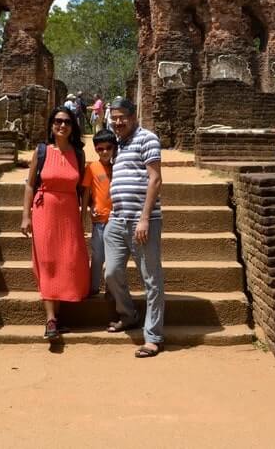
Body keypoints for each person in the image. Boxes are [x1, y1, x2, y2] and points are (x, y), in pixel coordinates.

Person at [19, 106, 90, 340]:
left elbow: (83, 189)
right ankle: (50, 320)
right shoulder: (41, 152)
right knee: (48, 262)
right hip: (44, 211)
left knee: (68, 261)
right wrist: (26, 216)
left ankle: (56, 319)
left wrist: (83, 217)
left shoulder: (78, 155)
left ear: (73, 127)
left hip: (69, 213)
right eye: (58, 121)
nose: (62, 125)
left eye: (67, 122)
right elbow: (30, 185)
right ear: (51, 125)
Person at [104, 96, 164, 358]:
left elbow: (155, 179)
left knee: (151, 279)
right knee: (111, 273)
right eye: (114, 118)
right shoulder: (119, 143)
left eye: (122, 118)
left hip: (143, 222)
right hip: (117, 220)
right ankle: (128, 315)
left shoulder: (147, 138)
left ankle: (152, 337)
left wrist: (144, 218)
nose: (118, 122)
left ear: (133, 116)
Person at [80, 129, 116, 296]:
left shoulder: (119, 167)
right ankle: (93, 287)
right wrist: (84, 217)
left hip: (116, 220)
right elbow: (86, 194)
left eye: (108, 148)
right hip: (99, 221)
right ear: (95, 150)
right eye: (100, 149)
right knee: (97, 257)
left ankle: (111, 288)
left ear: (114, 148)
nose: (105, 152)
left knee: (113, 258)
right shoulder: (92, 168)